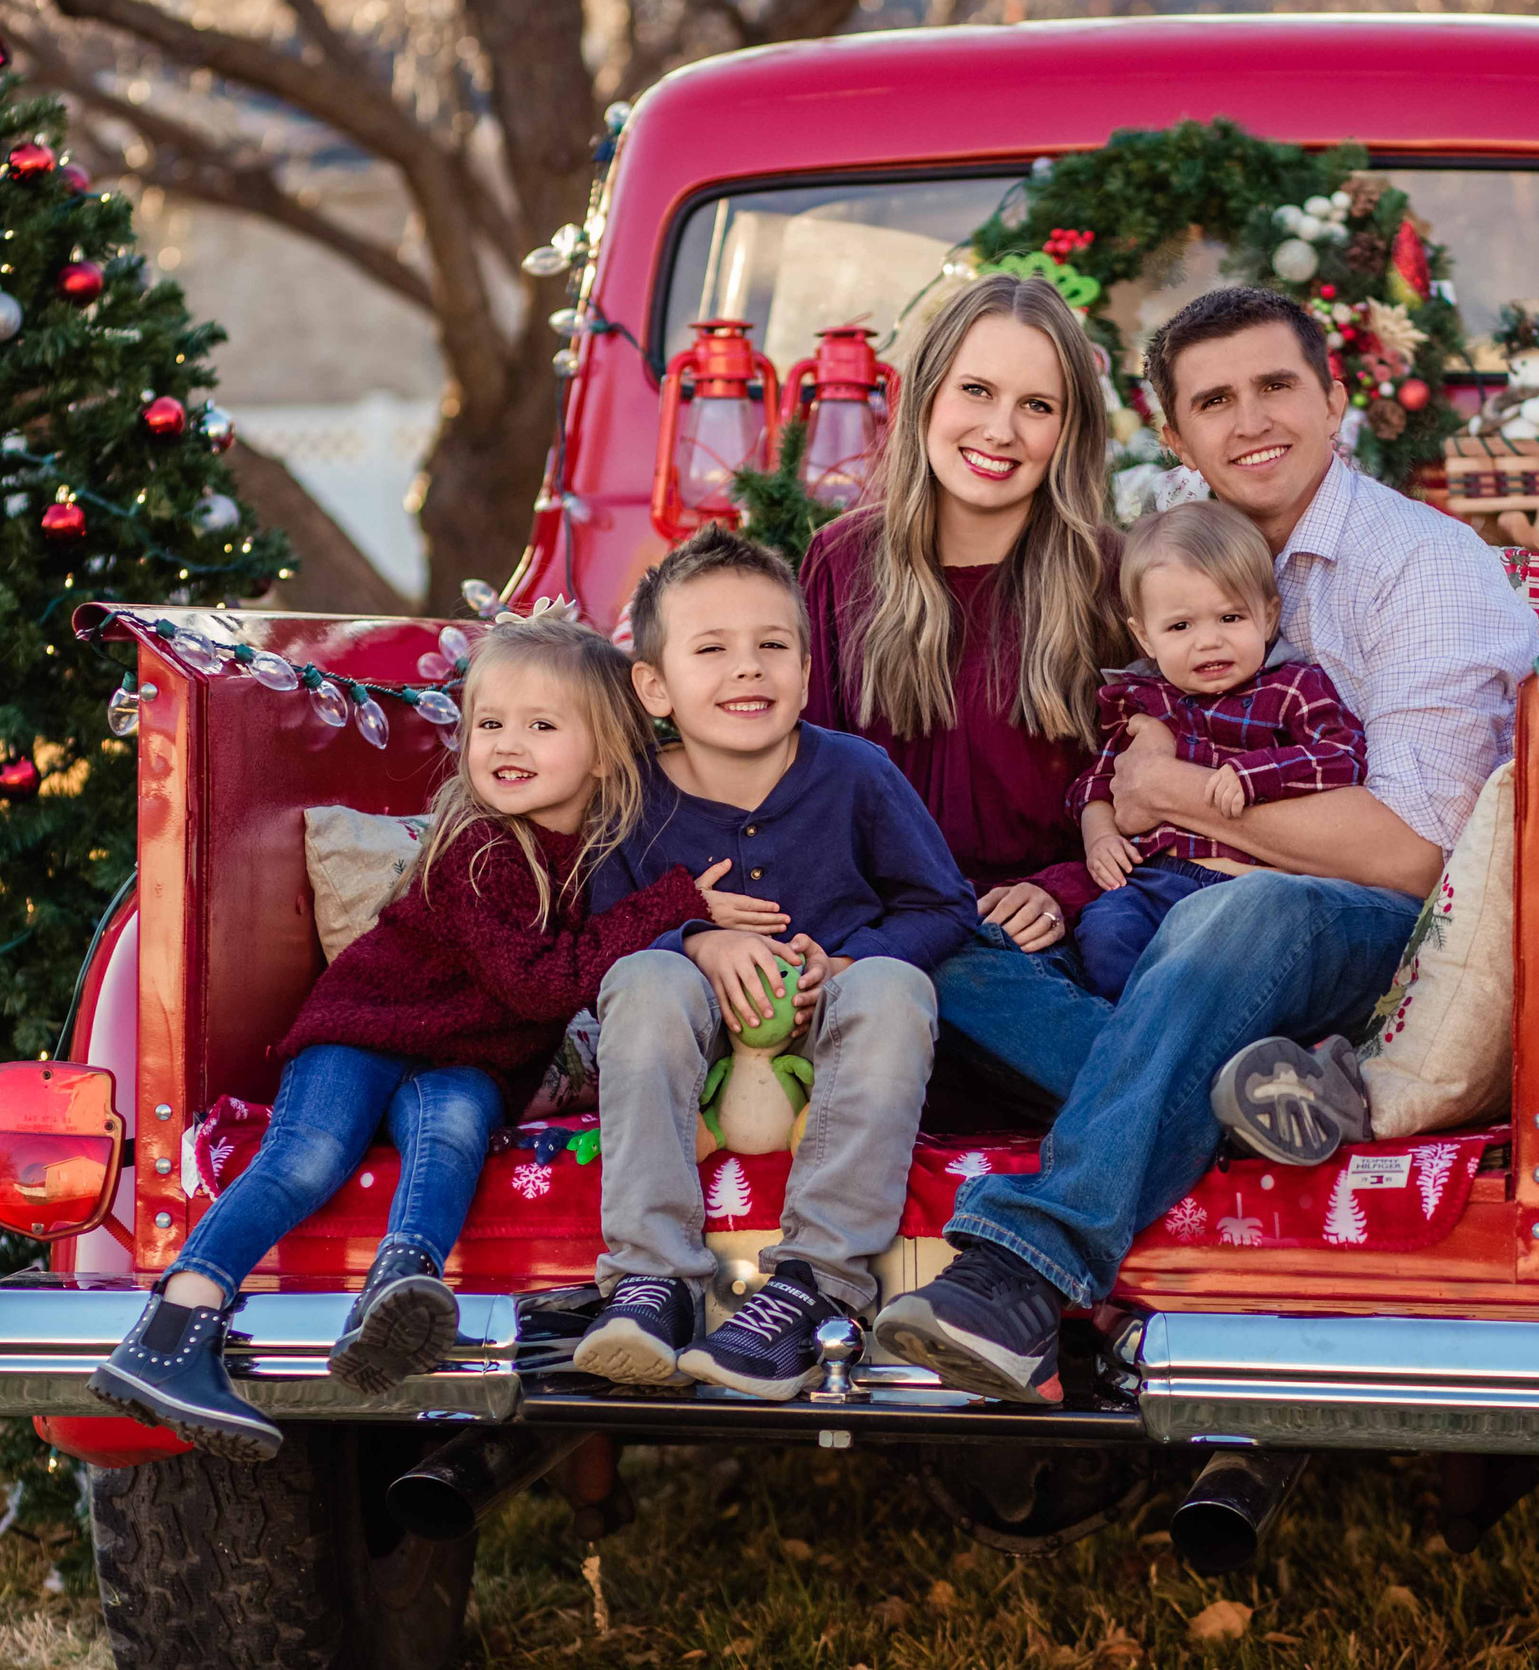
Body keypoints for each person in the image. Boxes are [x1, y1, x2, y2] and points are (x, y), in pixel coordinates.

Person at [874, 285, 1539, 1406]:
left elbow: (1416, 858)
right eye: (1213, 401)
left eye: (1277, 386)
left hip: (1346, 933)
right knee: (943, 957)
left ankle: (1026, 1267)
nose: (1250, 422)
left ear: (1336, 401)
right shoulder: (1169, 562)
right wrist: (1101, 826)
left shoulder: (1420, 568)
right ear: (1174, 437)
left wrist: (1176, 790)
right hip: (1174, 939)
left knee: (1234, 910)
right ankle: (1245, 1097)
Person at [85, 609, 716, 1461]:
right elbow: (542, 983)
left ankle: (398, 1296)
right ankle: (169, 1329)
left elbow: (584, 967)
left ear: (603, 753)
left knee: (452, 1133)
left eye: (539, 725)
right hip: (365, 1028)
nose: (506, 743)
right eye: (490, 723)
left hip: (461, 1061)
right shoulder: (479, 848)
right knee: (307, 1153)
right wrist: (673, 904)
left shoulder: (599, 856)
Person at [572, 530, 978, 1401]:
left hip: (827, 1050)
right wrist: (694, 940)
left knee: (894, 985)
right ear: (654, 685)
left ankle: (816, 1283)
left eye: (773, 646)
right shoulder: (631, 798)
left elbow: (943, 907)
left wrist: (848, 963)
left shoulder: (857, 774)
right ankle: (652, 1283)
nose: (747, 669)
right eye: (711, 649)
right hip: (697, 1065)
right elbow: (598, 940)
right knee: (645, 978)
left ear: (804, 668)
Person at [801, 273, 1126, 1001]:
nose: (1001, 430)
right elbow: (803, 782)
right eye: (976, 390)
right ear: (926, 397)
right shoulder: (841, 561)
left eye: (1036, 406)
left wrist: (1062, 890)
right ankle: (1160, 1084)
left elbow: (1152, 795)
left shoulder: (1113, 575)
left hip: (1050, 946)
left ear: (1068, 431)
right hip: (883, 942)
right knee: (917, 976)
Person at [1070, 499, 1368, 1002]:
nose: (1208, 642)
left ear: (1268, 617)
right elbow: (1097, 783)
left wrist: (1258, 773)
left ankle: (1214, 1045)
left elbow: (1345, 755)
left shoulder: (1292, 689)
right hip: (1155, 881)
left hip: (1249, 886)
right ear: (1144, 635)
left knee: (1232, 963)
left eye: (1230, 617)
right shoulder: (1140, 700)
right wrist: (1100, 838)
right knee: (1104, 933)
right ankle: (1137, 1033)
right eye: (1180, 627)